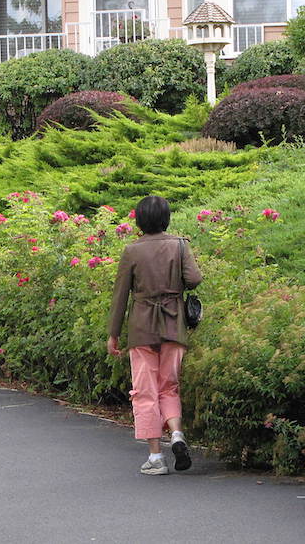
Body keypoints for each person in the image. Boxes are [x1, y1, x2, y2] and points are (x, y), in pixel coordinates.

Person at [107, 195, 202, 476]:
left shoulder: (131, 251)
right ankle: (176, 434)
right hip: (174, 326)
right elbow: (194, 279)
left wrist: (113, 334)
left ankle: (156, 457)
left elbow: (120, 297)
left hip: (141, 328)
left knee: (145, 391)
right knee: (169, 386)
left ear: (139, 220)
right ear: (166, 218)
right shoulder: (180, 245)